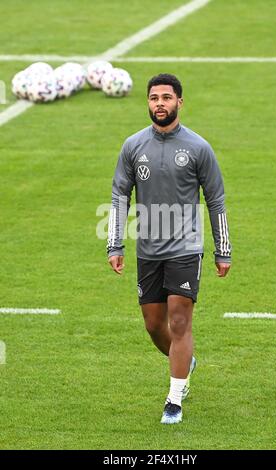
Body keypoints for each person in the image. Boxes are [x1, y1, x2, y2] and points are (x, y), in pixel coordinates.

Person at [107, 73, 231, 424]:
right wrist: (114, 243)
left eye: (166, 97)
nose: (159, 103)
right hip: (148, 248)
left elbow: (216, 199)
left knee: (179, 320)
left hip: (185, 247)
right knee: (153, 324)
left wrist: (223, 249)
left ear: (179, 102)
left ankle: (174, 399)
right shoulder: (133, 146)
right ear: (148, 103)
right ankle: (185, 362)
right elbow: (119, 196)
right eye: (153, 98)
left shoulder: (197, 148)